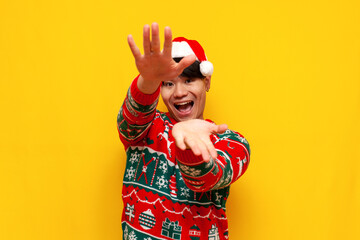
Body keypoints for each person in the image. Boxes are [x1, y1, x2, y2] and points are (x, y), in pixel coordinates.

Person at [117, 22, 250, 240]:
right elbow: (130, 121)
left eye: (189, 80)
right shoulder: (147, 127)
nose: (179, 92)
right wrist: (148, 80)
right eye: (168, 84)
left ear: (206, 82)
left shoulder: (232, 142)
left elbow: (207, 177)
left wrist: (189, 147)